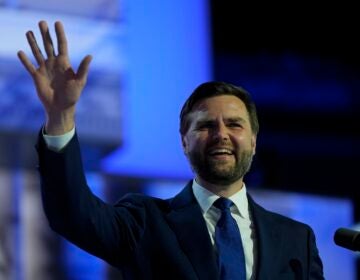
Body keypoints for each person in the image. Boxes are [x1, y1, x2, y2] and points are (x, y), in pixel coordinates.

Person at [17, 20, 325, 280]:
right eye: (205, 126)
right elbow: (72, 215)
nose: (221, 135)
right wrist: (60, 116)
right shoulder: (145, 222)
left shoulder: (296, 240)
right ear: (184, 141)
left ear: (254, 140)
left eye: (234, 125)